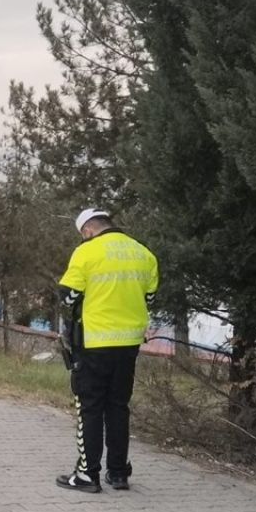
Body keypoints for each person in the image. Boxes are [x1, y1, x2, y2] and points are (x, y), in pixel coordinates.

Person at [55, 208, 158, 493]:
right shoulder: (143, 253)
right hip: (128, 345)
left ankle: (88, 475)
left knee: (89, 408)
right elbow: (149, 297)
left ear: (87, 229)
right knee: (118, 407)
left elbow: (67, 295)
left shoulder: (87, 252)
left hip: (94, 343)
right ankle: (118, 472)